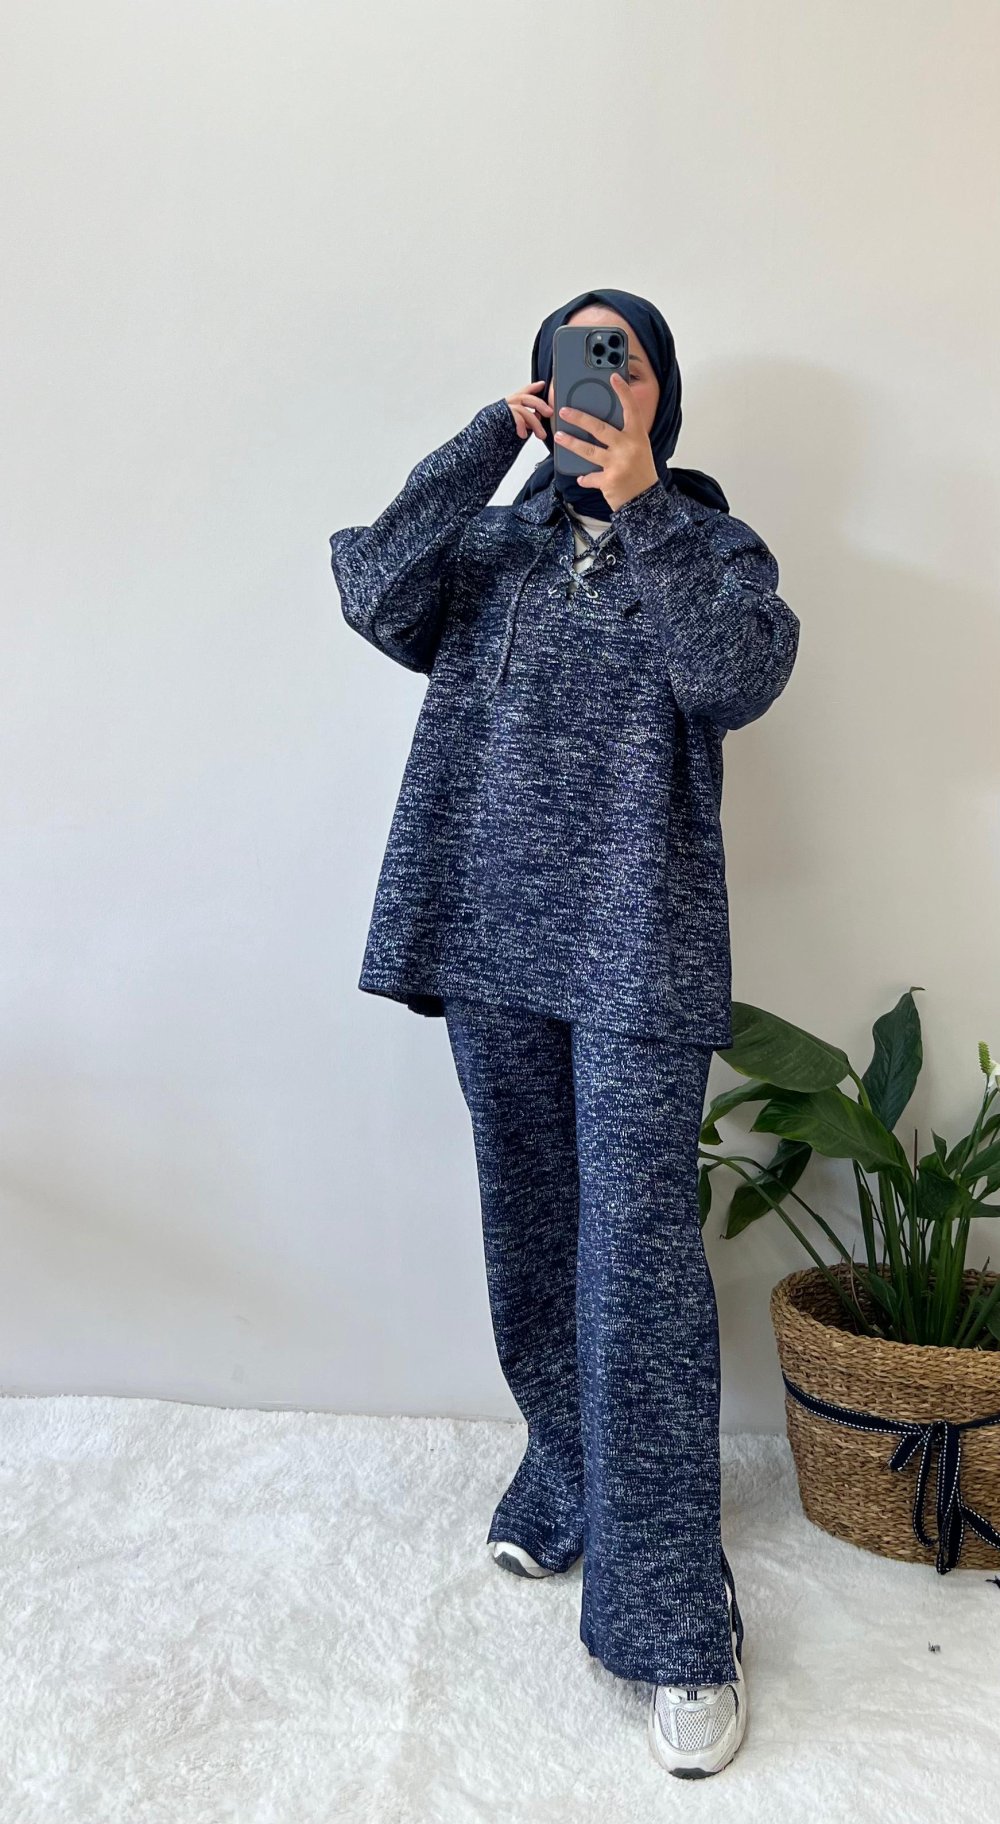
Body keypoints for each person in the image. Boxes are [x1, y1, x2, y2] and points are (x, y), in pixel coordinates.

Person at [329, 287, 800, 1778]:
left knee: (637, 1258)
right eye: (572, 361)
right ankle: (568, 1466)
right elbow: (371, 586)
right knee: (532, 1227)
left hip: (636, 946)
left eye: (625, 360)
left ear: (662, 392)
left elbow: (733, 677)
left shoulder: (713, 547)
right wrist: (489, 440)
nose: (600, 379)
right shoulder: (490, 545)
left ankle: (673, 1614)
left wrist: (645, 499)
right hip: (488, 933)